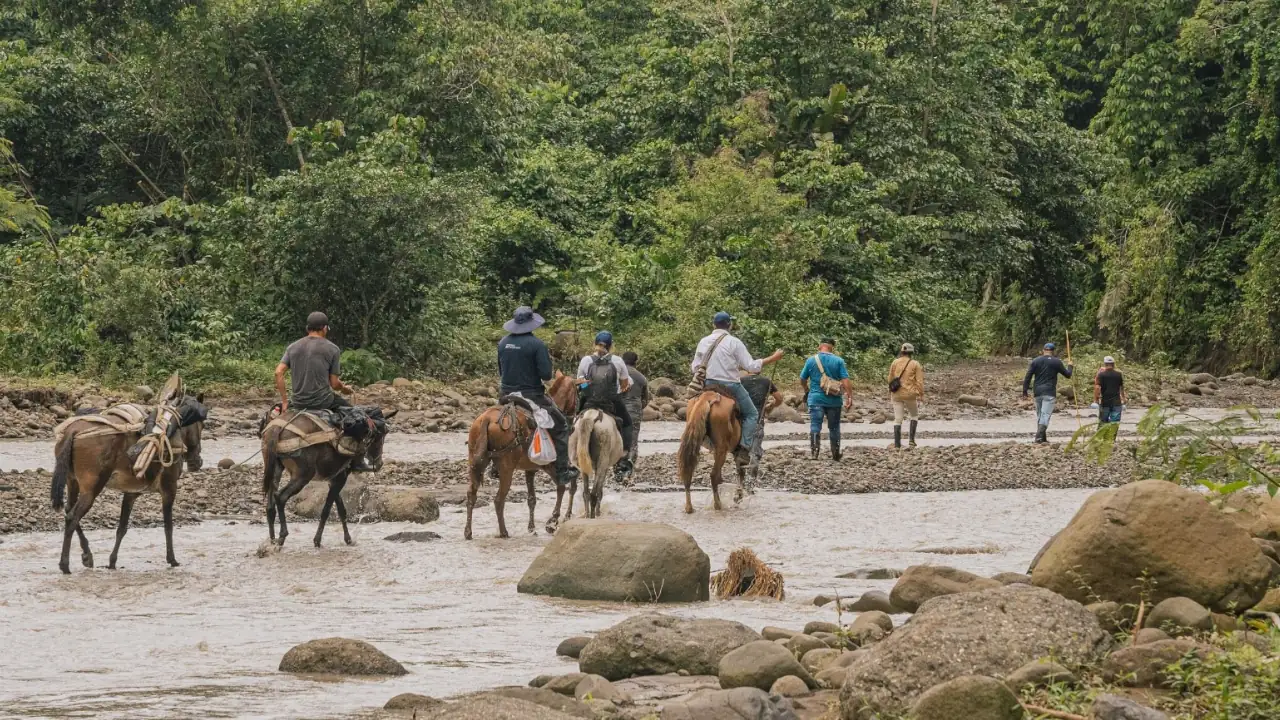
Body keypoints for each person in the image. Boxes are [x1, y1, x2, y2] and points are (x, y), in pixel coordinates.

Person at [275, 311, 373, 471]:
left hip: (298, 402)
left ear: (308, 328)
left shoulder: (292, 347)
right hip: (323, 400)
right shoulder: (332, 349)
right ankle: (358, 461)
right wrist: (345, 389)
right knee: (358, 418)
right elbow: (334, 384)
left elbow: (278, 372)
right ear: (325, 328)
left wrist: (285, 401)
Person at [497, 306, 579, 487]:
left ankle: (494, 465)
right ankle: (563, 470)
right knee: (562, 425)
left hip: (505, 394)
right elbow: (546, 375)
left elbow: (501, 371)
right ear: (531, 323)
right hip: (531, 395)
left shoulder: (502, 342)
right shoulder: (537, 345)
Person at [691, 312, 784, 464]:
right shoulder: (734, 342)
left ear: (713, 325)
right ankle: (743, 449)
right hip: (730, 385)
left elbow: (695, 367)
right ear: (729, 325)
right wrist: (774, 358)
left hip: (708, 384)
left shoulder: (703, 341)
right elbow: (752, 366)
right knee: (752, 414)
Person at [575, 331, 634, 474]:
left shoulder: (586, 360)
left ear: (594, 344)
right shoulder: (618, 361)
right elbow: (625, 385)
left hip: (589, 400)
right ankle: (624, 456)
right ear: (611, 346)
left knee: (571, 421)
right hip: (611, 402)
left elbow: (580, 384)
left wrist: (589, 387)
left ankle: (568, 459)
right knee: (627, 423)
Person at [800, 338, 853, 460]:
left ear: (820, 346)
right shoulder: (839, 361)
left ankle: (814, 453)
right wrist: (849, 396)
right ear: (832, 348)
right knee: (834, 427)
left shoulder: (811, 360)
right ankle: (835, 454)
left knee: (815, 425)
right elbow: (845, 380)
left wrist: (806, 389)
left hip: (815, 398)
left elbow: (802, 379)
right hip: (834, 400)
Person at [1022, 342, 1074, 443]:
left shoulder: (1036, 361)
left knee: (1040, 415)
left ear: (1043, 351)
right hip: (1049, 392)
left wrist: (1025, 391)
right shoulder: (1056, 362)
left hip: (1037, 392)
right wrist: (1070, 366)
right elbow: (1068, 375)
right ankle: (1039, 437)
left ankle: (1043, 438)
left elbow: (1028, 376)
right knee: (1045, 415)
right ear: (1053, 351)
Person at [888, 342, 925, 449]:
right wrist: (921, 394)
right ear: (911, 352)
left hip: (896, 394)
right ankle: (911, 441)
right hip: (910, 394)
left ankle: (897, 444)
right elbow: (919, 382)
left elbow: (890, 378)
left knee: (898, 419)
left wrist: (890, 390)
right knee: (914, 415)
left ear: (902, 351)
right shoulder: (915, 364)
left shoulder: (894, 362)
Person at [620, 351, 649, 467]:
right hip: (635, 411)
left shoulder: (617, 374)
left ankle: (617, 464)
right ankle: (629, 465)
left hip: (619, 410)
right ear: (636, 362)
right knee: (633, 440)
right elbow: (645, 400)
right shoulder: (642, 378)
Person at [1094, 356, 1126, 424]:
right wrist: (1123, 399)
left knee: (1103, 423)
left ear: (1105, 364)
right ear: (1113, 364)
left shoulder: (1101, 374)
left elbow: (1097, 388)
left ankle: (1103, 435)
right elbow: (1121, 387)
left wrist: (1096, 400)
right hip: (1117, 403)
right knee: (1114, 424)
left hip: (1105, 403)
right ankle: (1112, 435)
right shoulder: (1119, 374)